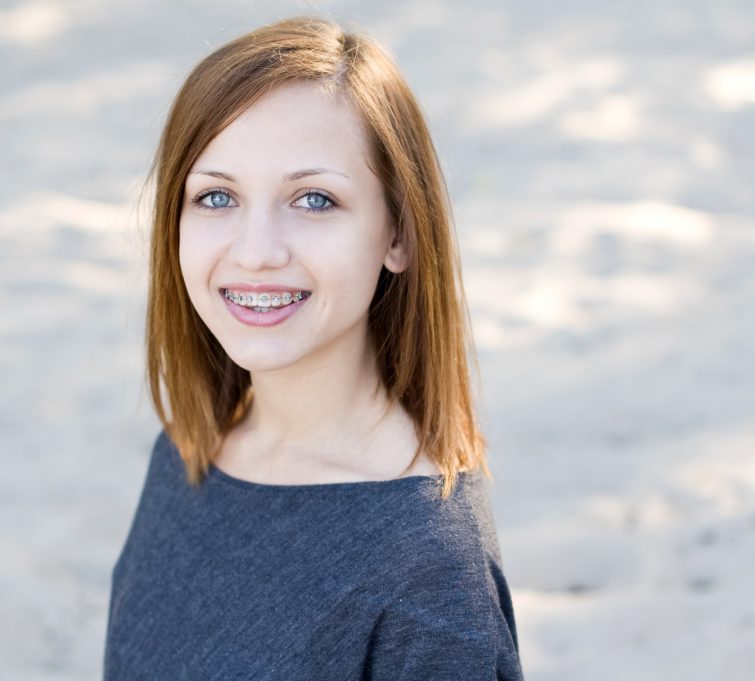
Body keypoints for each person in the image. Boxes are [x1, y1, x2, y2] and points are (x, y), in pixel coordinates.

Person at [103, 16, 524, 680]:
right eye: (216, 196)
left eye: (315, 199)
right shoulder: (190, 449)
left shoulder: (431, 571)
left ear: (398, 235)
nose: (256, 251)